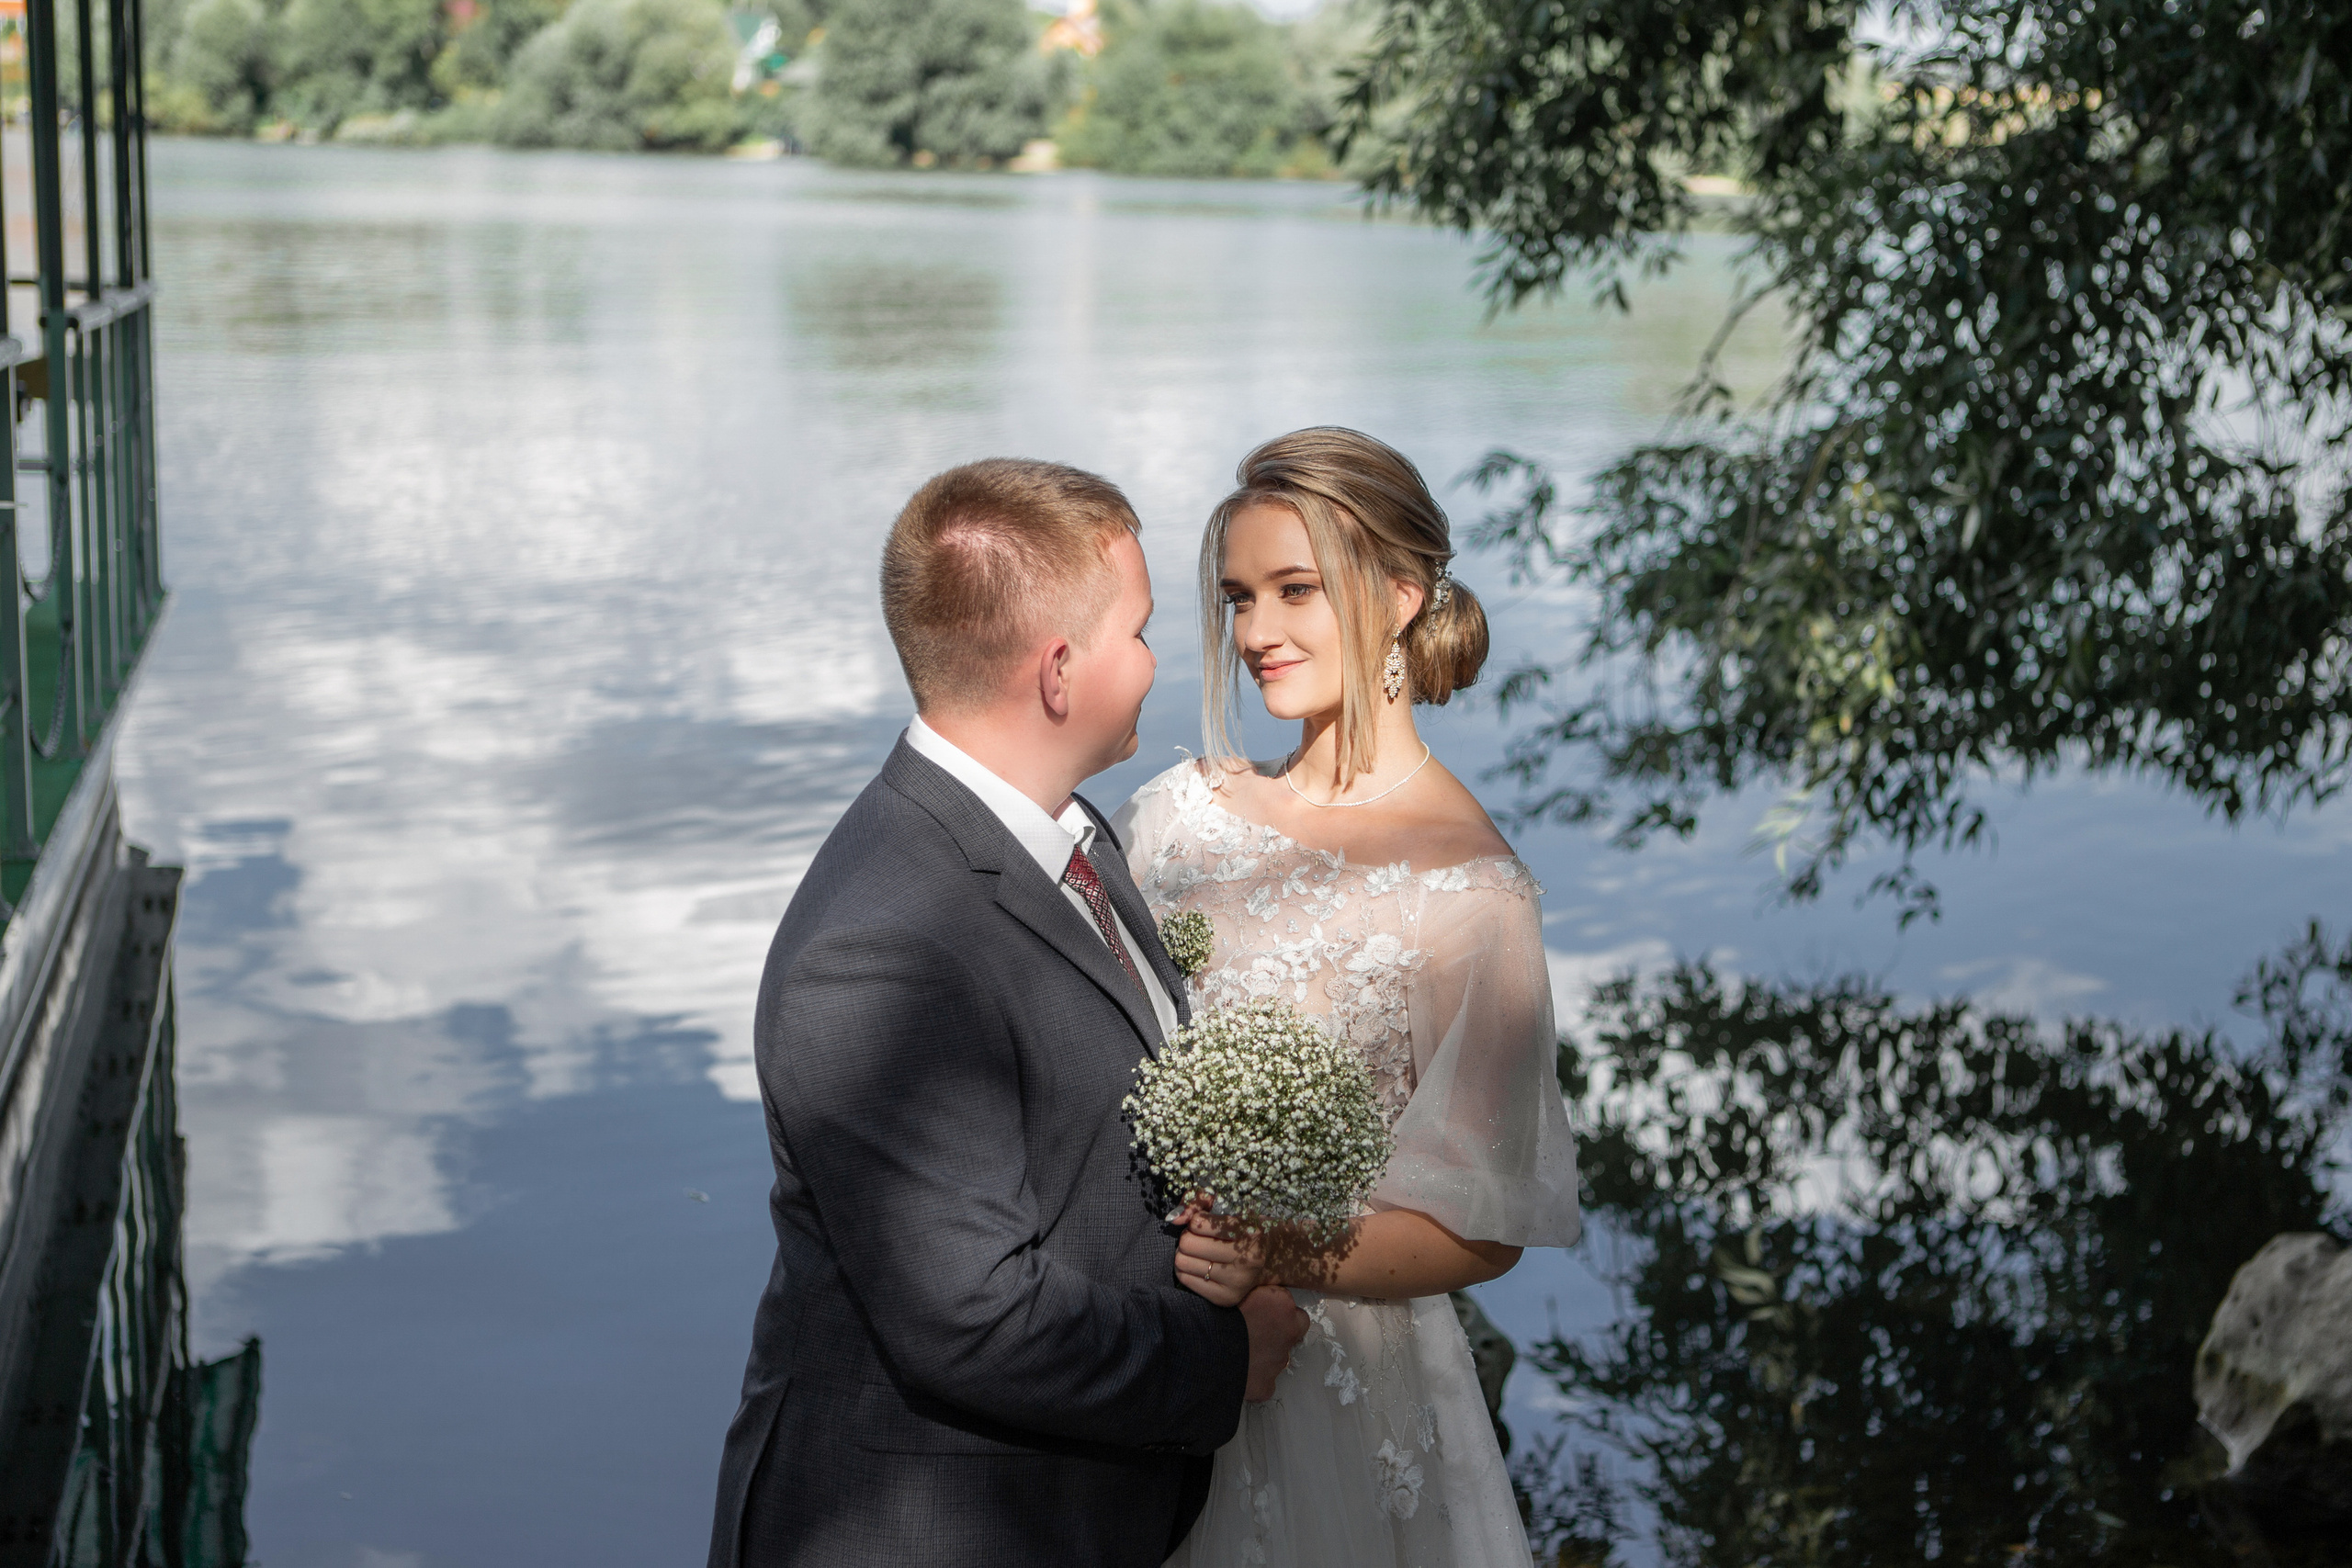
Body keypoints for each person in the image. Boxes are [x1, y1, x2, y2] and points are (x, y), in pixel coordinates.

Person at [707, 458, 1312, 1568]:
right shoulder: (880, 950)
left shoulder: (1068, 833)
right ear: (1058, 670)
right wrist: (1222, 1359)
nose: (1157, 659)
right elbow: (971, 1319)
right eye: (1136, 631)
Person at [1114, 427, 1583, 1567]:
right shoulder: (1181, 817)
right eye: (1236, 598)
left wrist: (1270, 1254)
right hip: (1148, 1363)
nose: (1255, 634)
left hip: (1354, 1390)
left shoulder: (1470, 891)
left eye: (1294, 591)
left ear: (1399, 596)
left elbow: (1480, 1234)